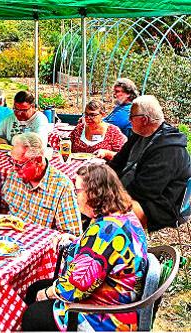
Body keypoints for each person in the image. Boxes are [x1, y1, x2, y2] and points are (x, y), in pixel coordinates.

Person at [22, 164, 148, 331]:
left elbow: (75, 287)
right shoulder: (124, 214)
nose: (75, 196)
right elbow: (99, 252)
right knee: (34, 288)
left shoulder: (104, 232)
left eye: (78, 191)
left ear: (94, 193)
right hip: (118, 297)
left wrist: (45, 294)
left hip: (106, 315)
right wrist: (77, 241)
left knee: (33, 313)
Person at [108, 95, 191, 232]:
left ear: (144, 119)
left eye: (131, 116)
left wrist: (110, 194)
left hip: (161, 204)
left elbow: (145, 190)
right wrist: (101, 180)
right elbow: (117, 162)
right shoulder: (140, 135)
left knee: (106, 211)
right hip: (137, 192)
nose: (129, 120)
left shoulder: (169, 148)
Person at [2, 133, 81, 235]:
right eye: (12, 162)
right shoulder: (14, 173)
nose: (14, 168)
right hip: (7, 239)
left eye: (19, 164)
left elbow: (71, 235)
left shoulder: (62, 186)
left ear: (38, 160)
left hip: (39, 244)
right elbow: (2, 209)